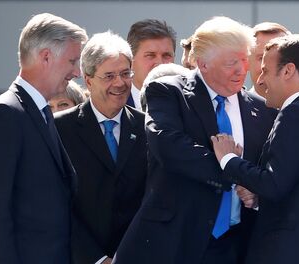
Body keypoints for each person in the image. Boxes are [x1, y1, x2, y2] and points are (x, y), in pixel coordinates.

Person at [115, 16, 276, 264]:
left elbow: (267, 172)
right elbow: (169, 146)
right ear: (203, 63)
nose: (241, 69)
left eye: (245, 59)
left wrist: (255, 192)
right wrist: (232, 169)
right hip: (173, 241)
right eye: (232, 62)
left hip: (235, 245)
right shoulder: (168, 92)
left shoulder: (262, 109)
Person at [212, 34, 299, 264]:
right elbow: (292, 184)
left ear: (288, 70)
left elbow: (274, 183)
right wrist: (259, 197)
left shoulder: (297, 113)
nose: (259, 80)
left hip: (291, 252)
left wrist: (229, 159)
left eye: (265, 70)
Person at [0, 13, 86, 263]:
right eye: (72, 61)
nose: (76, 72)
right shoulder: (5, 113)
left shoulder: (41, 112)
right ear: (46, 57)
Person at [54, 31, 147, 264]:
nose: (120, 83)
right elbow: (56, 204)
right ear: (88, 80)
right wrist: (96, 258)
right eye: (109, 76)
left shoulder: (149, 128)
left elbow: (154, 200)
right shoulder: (59, 129)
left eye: (125, 73)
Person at [126, 19, 176, 110]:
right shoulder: (114, 105)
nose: (160, 64)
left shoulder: (188, 104)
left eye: (166, 55)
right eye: (150, 55)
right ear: (130, 60)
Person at [248, 22, 290, 97]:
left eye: (280, 57)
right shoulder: (237, 107)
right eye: (262, 58)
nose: (272, 66)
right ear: (247, 62)